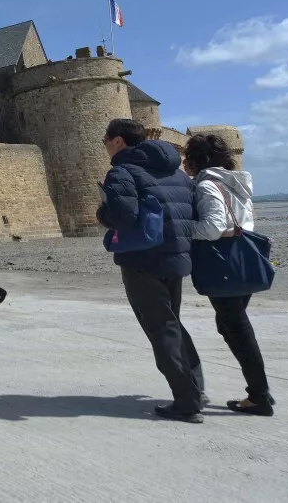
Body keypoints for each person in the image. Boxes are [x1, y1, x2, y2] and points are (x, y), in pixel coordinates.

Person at [97, 118, 205, 423]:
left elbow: (122, 214)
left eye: (106, 139)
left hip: (142, 259)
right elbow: (192, 209)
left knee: (162, 330)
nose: (105, 145)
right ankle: (196, 388)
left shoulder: (122, 171)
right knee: (172, 325)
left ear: (118, 141)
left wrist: (102, 213)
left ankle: (187, 401)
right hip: (176, 256)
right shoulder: (175, 169)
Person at [184, 133, 274, 416]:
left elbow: (211, 229)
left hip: (222, 264)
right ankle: (259, 393)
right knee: (231, 325)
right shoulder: (236, 183)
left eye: (188, 158)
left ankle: (259, 395)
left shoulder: (208, 186)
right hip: (241, 262)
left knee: (236, 328)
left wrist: (182, 228)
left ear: (198, 160)